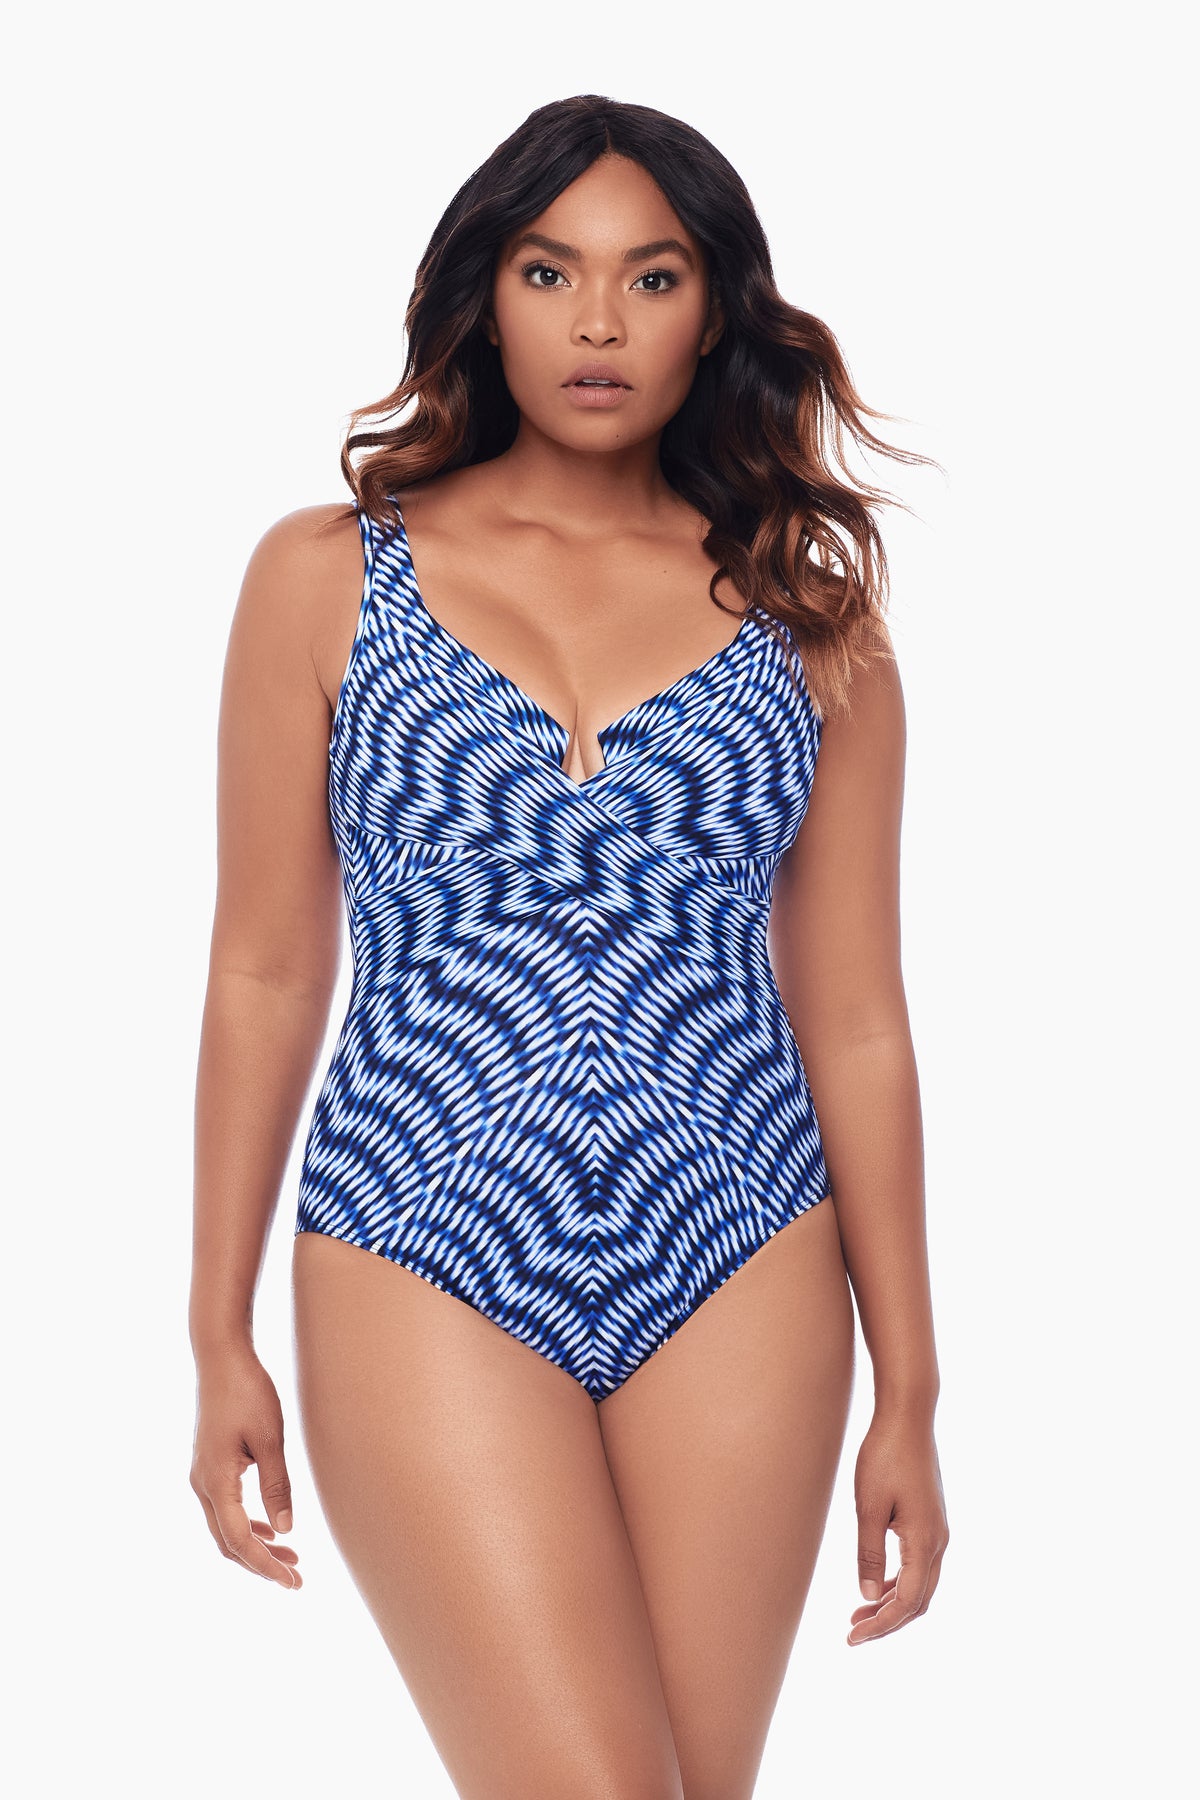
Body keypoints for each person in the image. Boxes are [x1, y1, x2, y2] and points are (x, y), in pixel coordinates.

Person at [189, 94, 949, 1800]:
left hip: (746, 1248)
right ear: (486, 295)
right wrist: (214, 1325)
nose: (599, 321)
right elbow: (263, 970)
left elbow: (858, 1018)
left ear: (715, 312)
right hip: (416, 1231)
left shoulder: (811, 615)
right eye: (551, 272)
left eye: (652, 277)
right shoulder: (328, 578)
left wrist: (910, 1385)